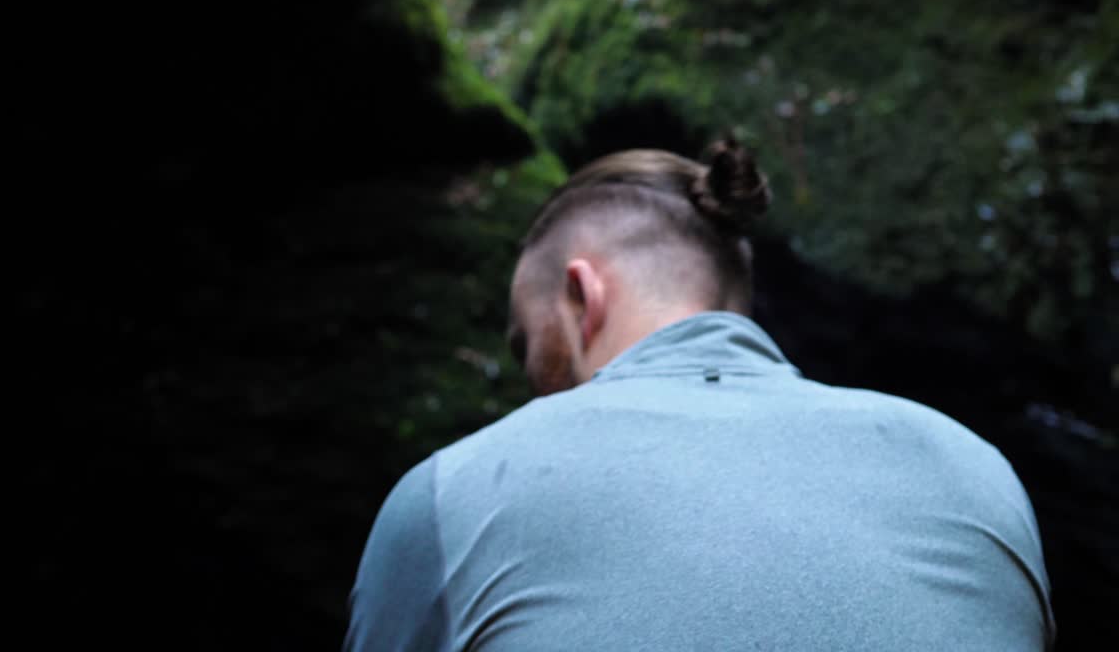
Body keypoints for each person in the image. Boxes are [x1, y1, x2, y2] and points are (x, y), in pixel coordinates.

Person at [344, 140, 1055, 651]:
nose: (530, 379)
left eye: (527, 345)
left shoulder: (454, 492)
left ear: (582, 295)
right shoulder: (973, 466)